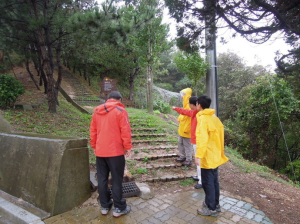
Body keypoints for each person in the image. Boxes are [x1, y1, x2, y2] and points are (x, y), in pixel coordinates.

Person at [90, 91, 132, 218]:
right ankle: (119, 207)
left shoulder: (97, 112)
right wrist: (128, 146)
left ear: (108, 99)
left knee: (102, 179)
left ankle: (105, 206)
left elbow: (93, 131)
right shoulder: (120, 110)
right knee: (116, 179)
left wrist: (94, 146)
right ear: (119, 99)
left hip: (100, 151)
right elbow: (125, 130)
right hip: (115, 152)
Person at [195, 95, 228, 217]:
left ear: (199, 105)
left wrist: (198, 155)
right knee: (214, 182)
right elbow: (221, 136)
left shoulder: (203, 119)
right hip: (215, 156)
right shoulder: (215, 118)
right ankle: (215, 204)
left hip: (207, 157)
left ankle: (211, 208)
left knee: (207, 183)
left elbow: (202, 139)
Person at [171, 96, 202, 189]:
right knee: (199, 162)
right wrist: (176, 108)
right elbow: (186, 112)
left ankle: (202, 181)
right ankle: (200, 177)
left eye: (190, 104)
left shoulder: (201, 115)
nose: (188, 105)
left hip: (199, 141)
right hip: (195, 140)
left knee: (200, 161)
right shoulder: (195, 112)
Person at [174, 88, 194, 166]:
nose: (182, 96)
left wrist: (187, 129)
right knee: (180, 143)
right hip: (182, 129)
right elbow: (183, 114)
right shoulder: (185, 104)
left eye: (183, 94)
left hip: (187, 130)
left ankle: (189, 159)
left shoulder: (190, 106)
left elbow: (189, 119)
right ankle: (182, 157)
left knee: (187, 145)